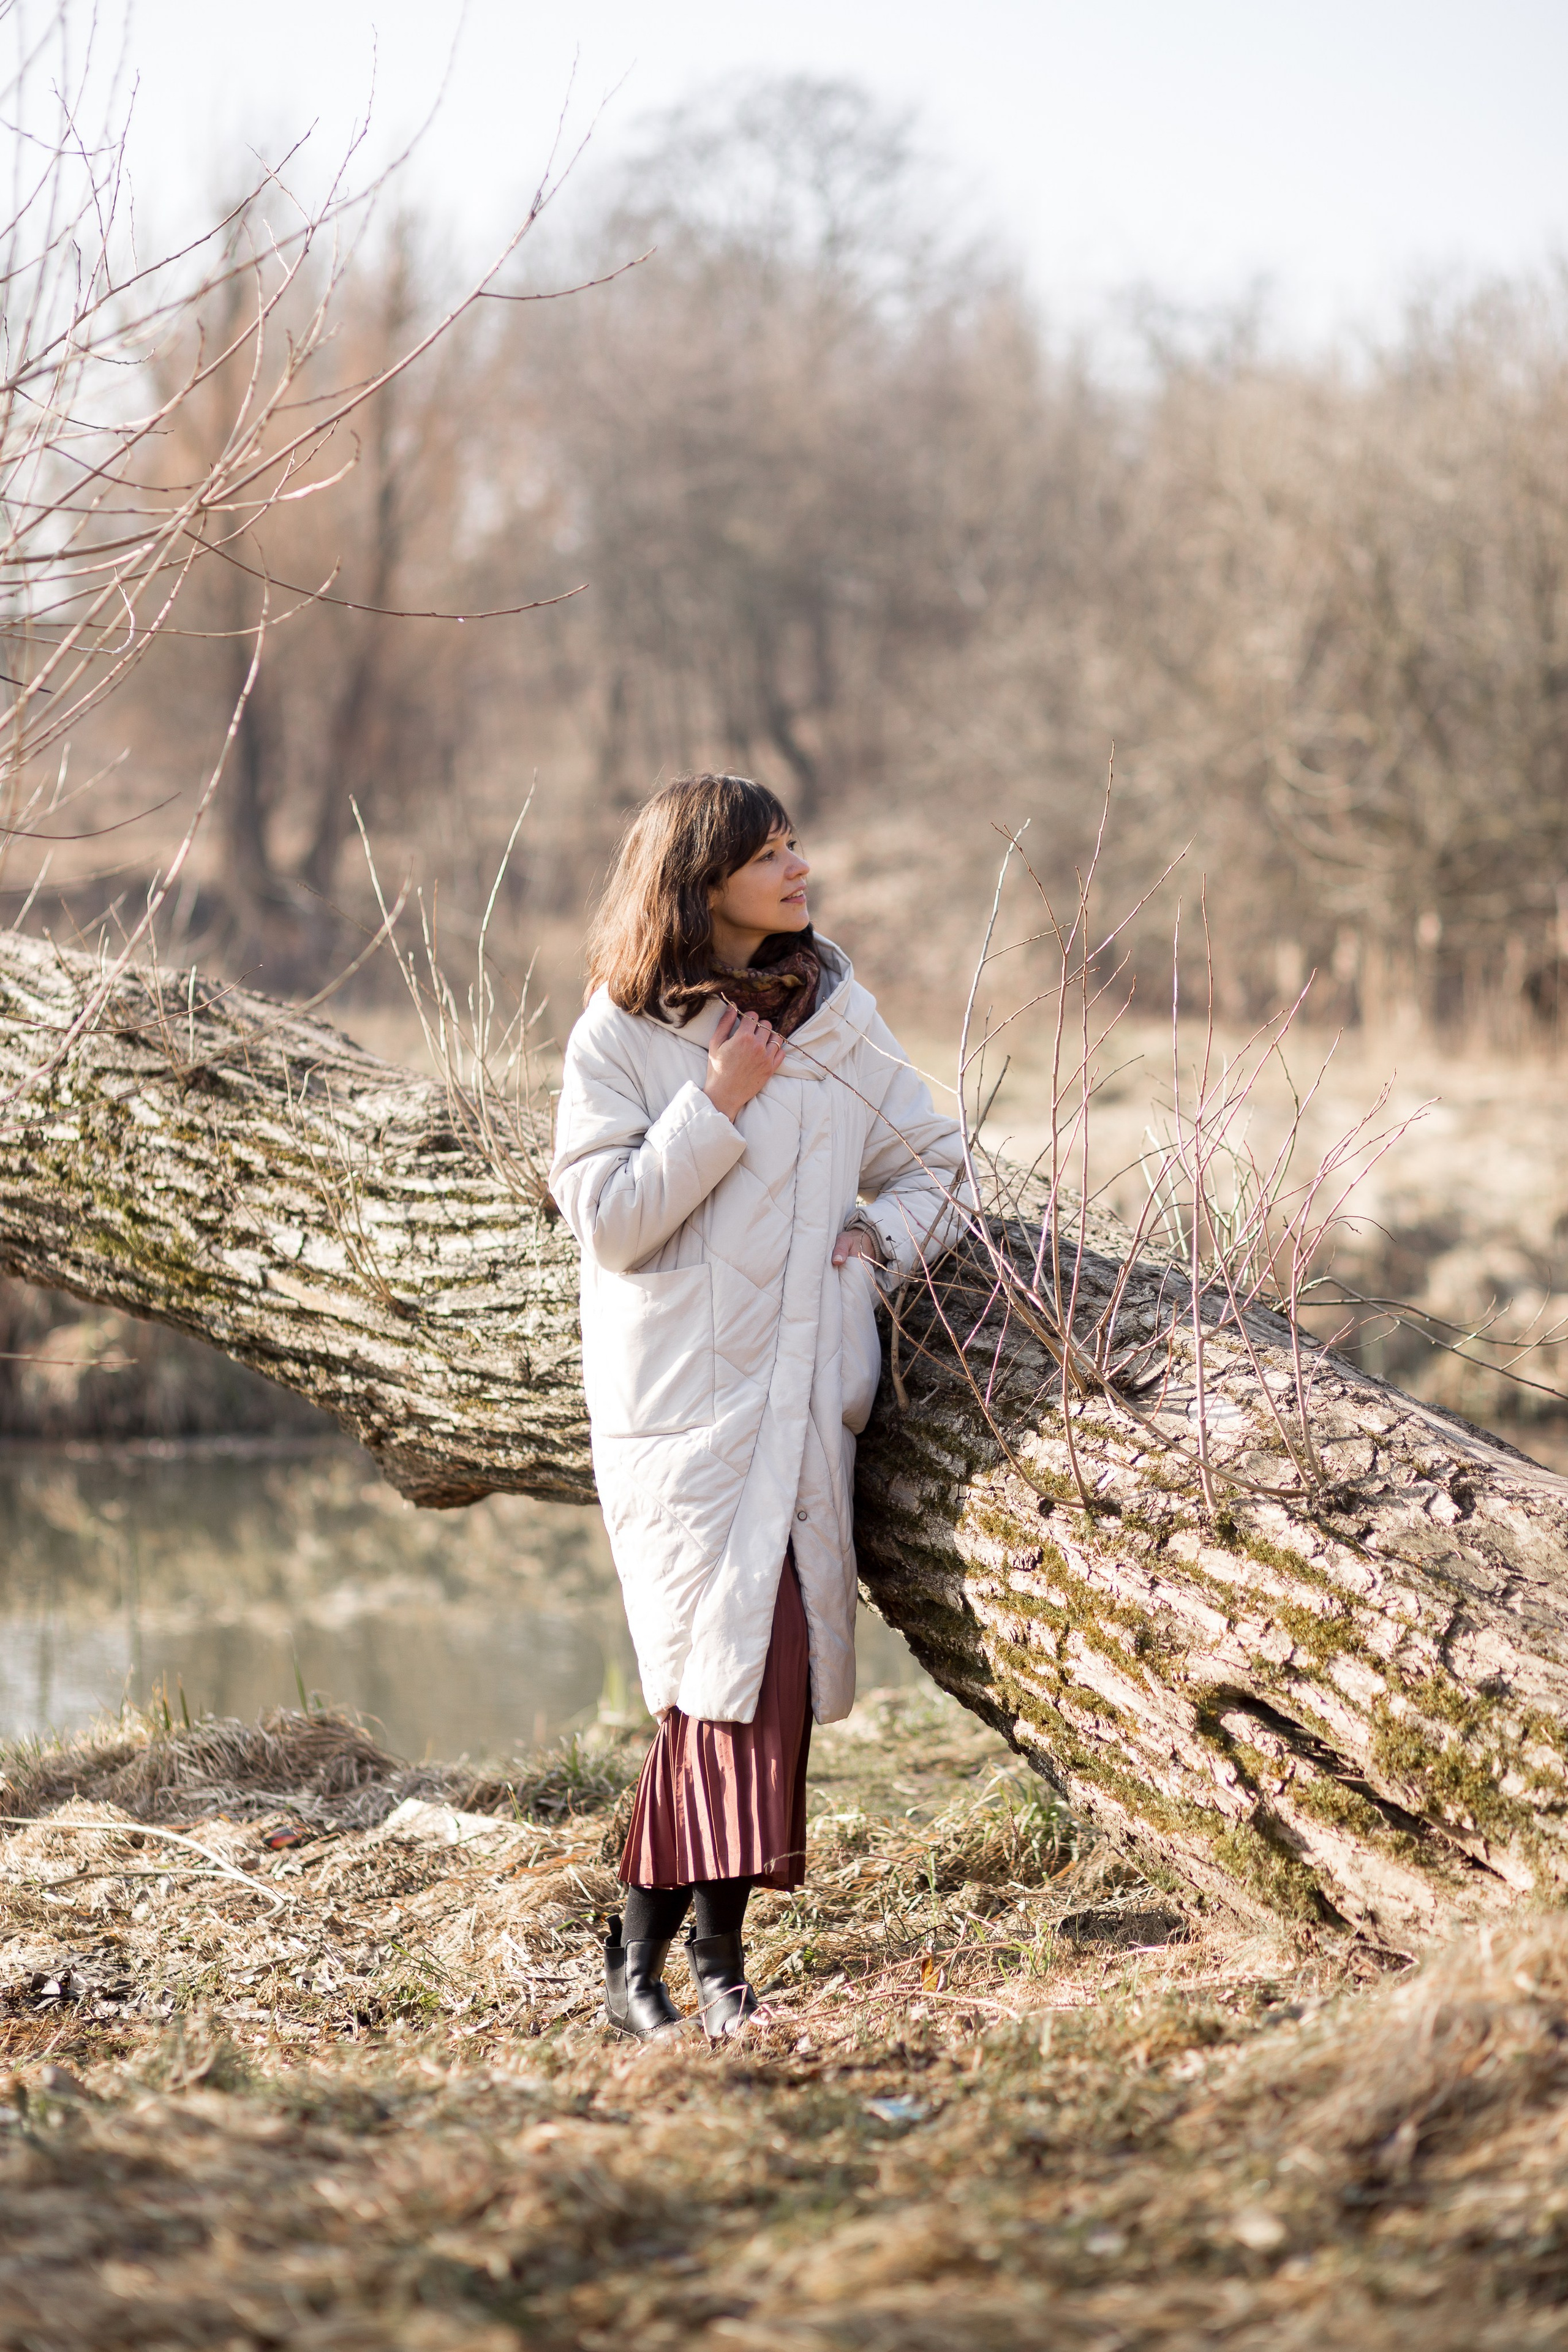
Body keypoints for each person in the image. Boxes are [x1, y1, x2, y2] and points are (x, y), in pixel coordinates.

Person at [549, 772, 967, 2040]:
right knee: (722, 1681)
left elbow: (937, 1165)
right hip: (679, 1409)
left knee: (761, 1676)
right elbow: (610, 1221)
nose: (799, 869)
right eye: (769, 852)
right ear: (701, 879)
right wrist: (716, 1100)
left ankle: (671, 1964)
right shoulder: (618, 1036)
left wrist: (879, 1243)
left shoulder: (837, 1023)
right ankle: (677, 1972)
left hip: (796, 1403)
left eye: (794, 846)